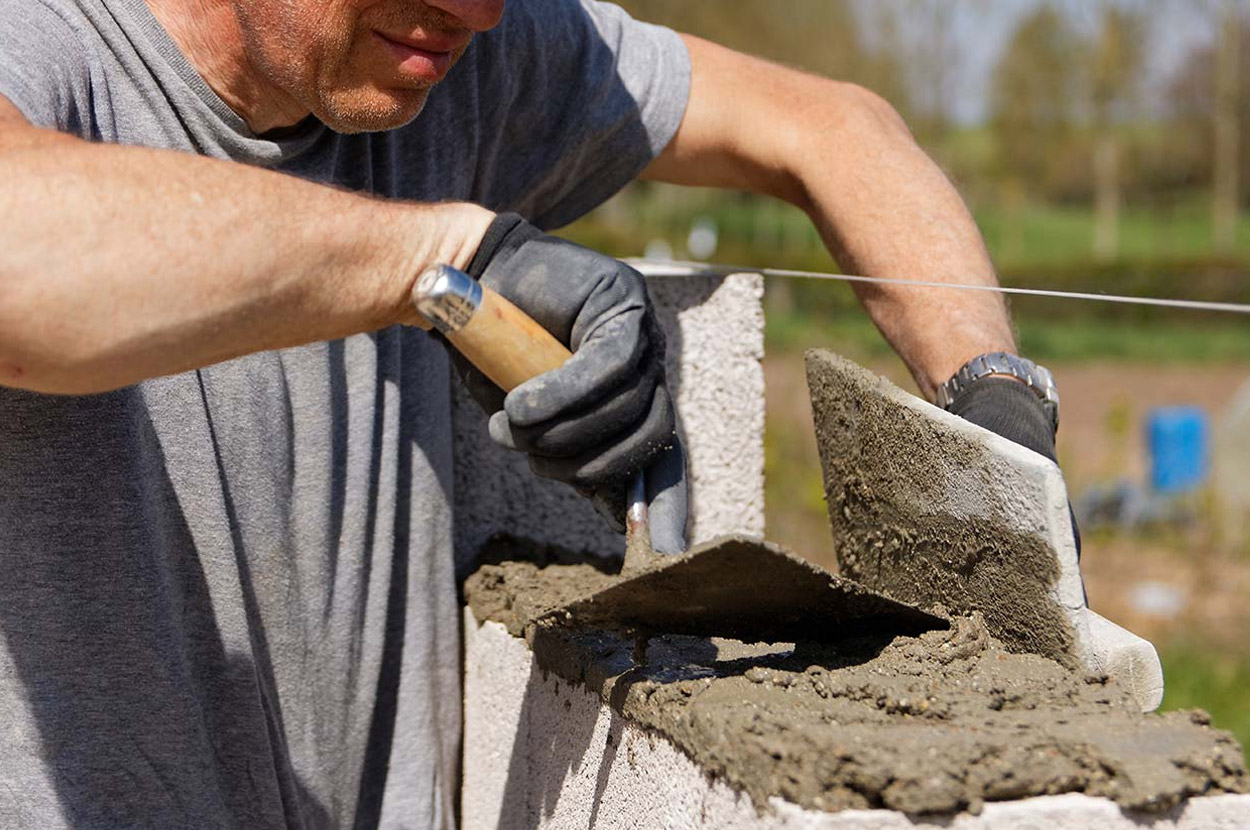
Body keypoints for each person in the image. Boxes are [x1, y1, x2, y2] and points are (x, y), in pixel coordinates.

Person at [0, 0, 1066, 826]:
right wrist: (444, 260)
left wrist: (991, 403)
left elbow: (831, 128)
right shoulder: (43, 43)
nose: (479, 16)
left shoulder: (440, 57)